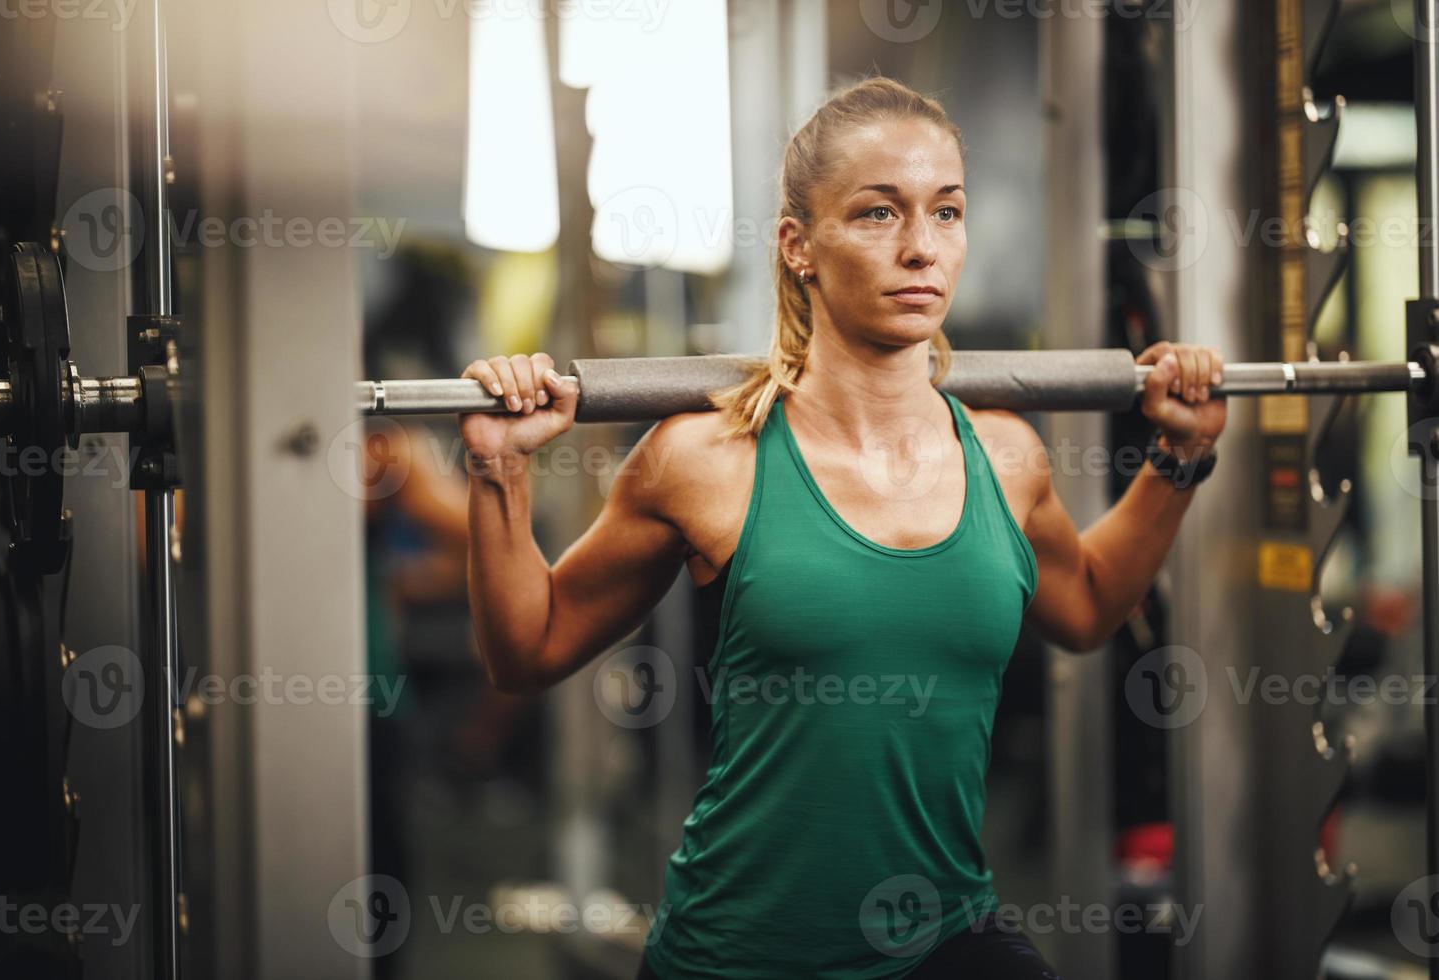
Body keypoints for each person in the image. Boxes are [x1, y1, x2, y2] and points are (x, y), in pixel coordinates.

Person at [458, 77, 1226, 979]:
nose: (919, 249)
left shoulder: (1008, 456)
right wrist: (498, 470)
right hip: (742, 951)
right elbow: (528, 648)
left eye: (946, 212)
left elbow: (1090, 606)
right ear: (799, 246)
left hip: (944, 935)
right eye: (876, 214)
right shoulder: (706, 459)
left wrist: (1177, 461)